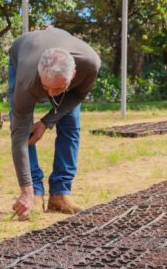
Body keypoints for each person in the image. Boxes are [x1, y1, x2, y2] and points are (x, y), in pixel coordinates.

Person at [8, 27, 100, 219]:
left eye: (57, 89)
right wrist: (26, 190)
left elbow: (78, 95)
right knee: (25, 131)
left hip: (64, 68)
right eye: (46, 87)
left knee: (71, 125)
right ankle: (35, 193)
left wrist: (46, 122)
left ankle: (60, 193)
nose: (50, 95)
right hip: (24, 55)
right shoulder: (27, 78)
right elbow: (19, 134)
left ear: (73, 75)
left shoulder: (90, 65)